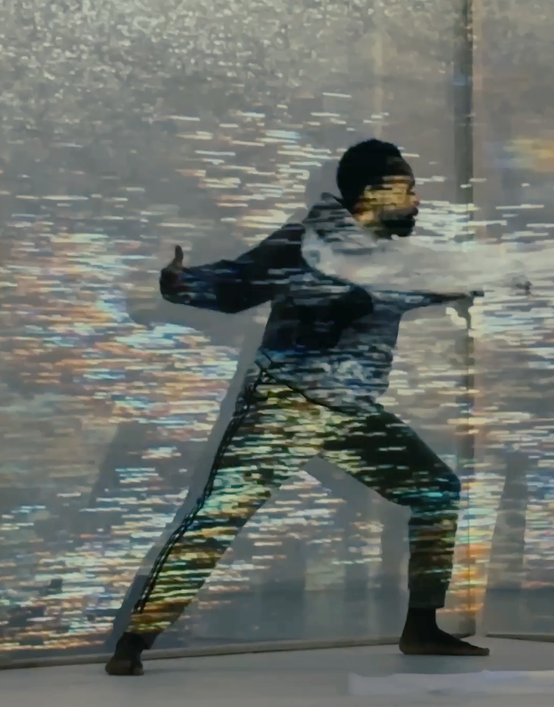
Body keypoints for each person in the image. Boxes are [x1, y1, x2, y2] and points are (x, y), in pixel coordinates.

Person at [106, 139, 487, 676]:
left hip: (350, 411)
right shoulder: (306, 243)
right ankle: (135, 641)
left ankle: (422, 627)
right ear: (371, 194)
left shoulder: (394, 257)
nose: (416, 202)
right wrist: (179, 282)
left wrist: (478, 281)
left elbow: (424, 284)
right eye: (406, 190)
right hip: (281, 406)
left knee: (435, 491)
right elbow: (240, 283)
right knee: (218, 516)